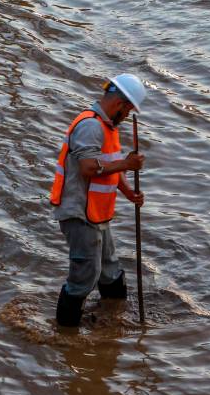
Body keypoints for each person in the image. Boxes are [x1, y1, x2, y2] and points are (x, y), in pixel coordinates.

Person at [51, 74, 147, 327]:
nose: (127, 117)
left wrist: (128, 192)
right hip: (80, 213)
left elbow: (111, 167)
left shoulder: (108, 128)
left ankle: (114, 318)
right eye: (128, 111)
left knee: (109, 270)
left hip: (97, 212)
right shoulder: (91, 126)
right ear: (121, 105)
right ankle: (66, 334)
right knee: (85, 275)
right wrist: (127, 163)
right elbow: (88, 167)